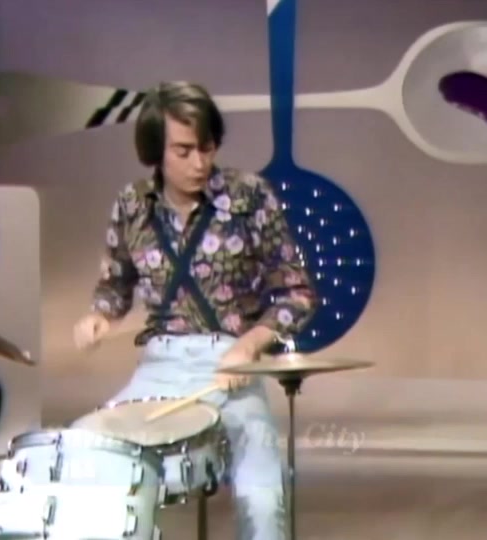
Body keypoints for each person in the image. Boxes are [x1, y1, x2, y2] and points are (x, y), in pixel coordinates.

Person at [72, 81, 317, 540]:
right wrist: (98, 317)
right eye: (183, 151)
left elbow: (297, 294)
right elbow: (114, 287)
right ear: (154, 151)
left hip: (232, 368)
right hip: (159, 370)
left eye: (206, 148)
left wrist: (249, 346)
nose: (199, 163)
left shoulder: (249, 197)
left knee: (263, 501)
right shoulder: (132, 205)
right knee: (85, 454)